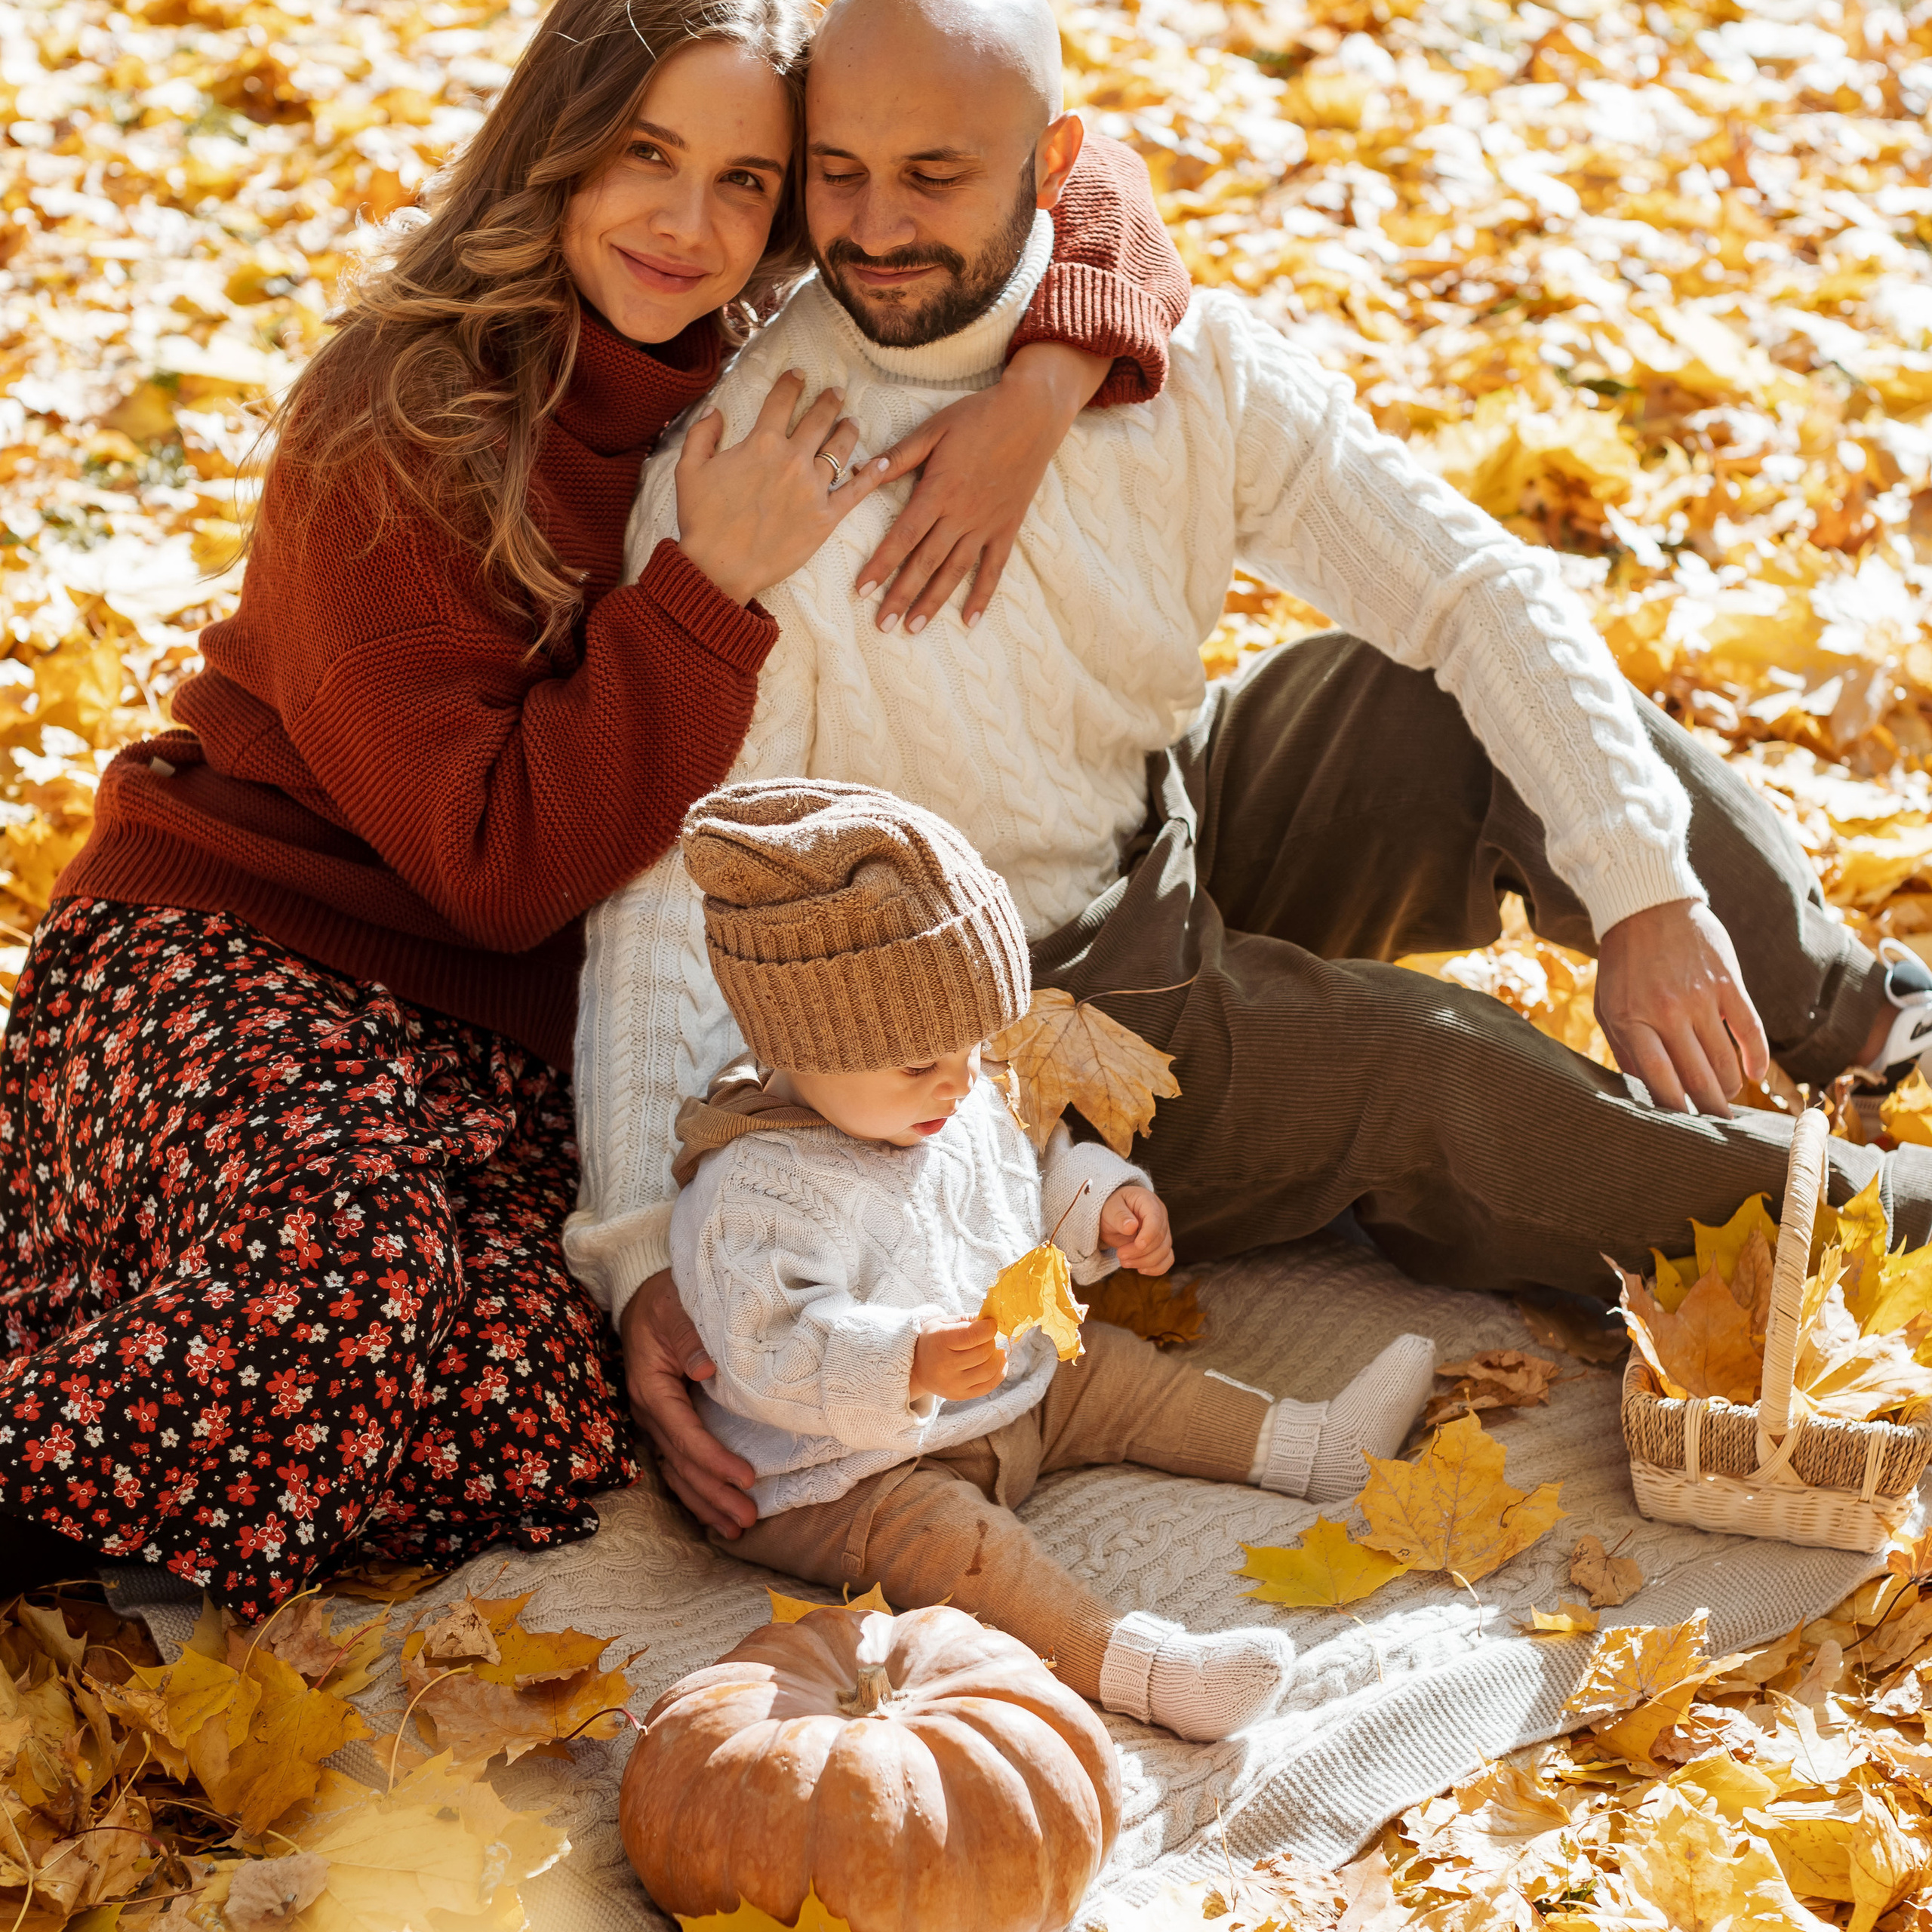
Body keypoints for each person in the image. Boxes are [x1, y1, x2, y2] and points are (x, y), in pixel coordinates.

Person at [572, 0, 1932, 1541]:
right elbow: (669, 881)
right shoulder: (756, 460)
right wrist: (641, 1247)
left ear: (1054, 164)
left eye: (934, 177)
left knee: (1410, 692)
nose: (873, 231)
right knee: (1421, 1066)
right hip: (1014, 1027)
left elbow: (1473, 589)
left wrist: (1640, 888)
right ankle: (1874, 1228)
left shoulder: (1172, 363)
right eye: (837, 174)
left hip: (1162, 811)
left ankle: (1858, 1014)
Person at [0, 0, 1195, 1611]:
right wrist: (707, 582)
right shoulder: (396, 419)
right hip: (240, 943)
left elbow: (1069, 159)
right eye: (644, 155)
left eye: (744, 183)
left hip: (487, 1051)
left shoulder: (747, 339)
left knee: (552, 1415)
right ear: (556, 150)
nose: (687, 224)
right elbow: (497, 867)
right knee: (348, 1295)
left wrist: (1043, 381)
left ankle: (113, 1317)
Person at [667, 779, 1435, 1737]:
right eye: (922, 1063)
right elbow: (765, 1345)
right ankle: (1138, 1665)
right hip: (846, 1467)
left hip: (1006, 1390)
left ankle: (1308, 1445)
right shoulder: (759, 1187)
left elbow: (1021, 1168)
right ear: (802, 1045)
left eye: (974, 1045)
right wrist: (902, 1358)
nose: (960, 1079)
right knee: (959, 1552)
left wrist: (1097, 1202)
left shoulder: (953, 1086)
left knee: (1116, 1374)